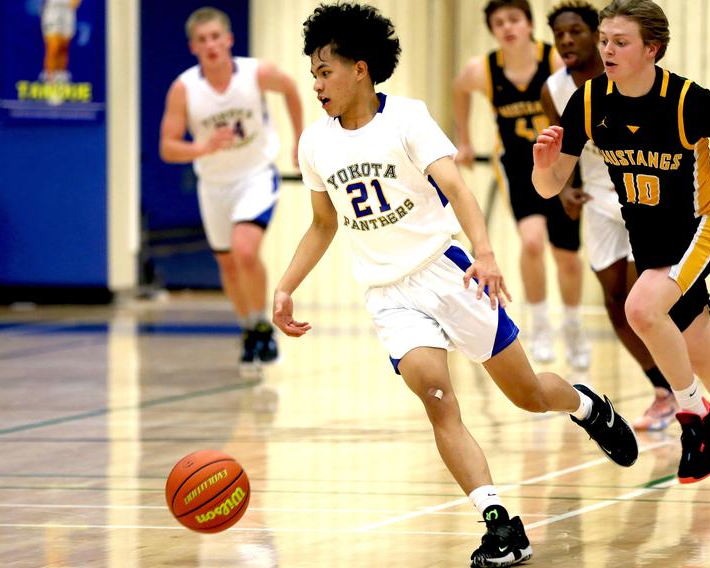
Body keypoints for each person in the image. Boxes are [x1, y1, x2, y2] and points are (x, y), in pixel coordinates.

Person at [275, 4, 638, 566]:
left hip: (449, 272)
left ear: (360, 70)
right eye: (313, 73)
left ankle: (588, 407)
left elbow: (460, 190)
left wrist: (487, 255)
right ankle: (500, 525)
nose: (316, 84)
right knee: (437, 395)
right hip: (388, 294)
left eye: (325, 72)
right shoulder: (315, 144)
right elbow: (324, 224)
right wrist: (286, 285)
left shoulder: (408, 119)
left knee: (529, 396)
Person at [531, 0, 710, 508]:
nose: (607, 50)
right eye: (605, 40)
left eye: (620, 42)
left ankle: (696, 417)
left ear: (651, 49)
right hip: (651, 242)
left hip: (702, 228)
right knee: (704, 355)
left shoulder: (686, 100)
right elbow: (550, 188)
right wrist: (542, 164)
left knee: (640, 308)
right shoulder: (590, 101)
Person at [541, 1, 675, 431]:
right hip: (598, 203)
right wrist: (564, 187)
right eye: (559, 34)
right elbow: (563, 150)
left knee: (645, 303)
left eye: (576, 32)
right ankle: (664, 391)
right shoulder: (555, 90)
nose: (566, 41)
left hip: (645, 203)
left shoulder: (628, 79)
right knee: (615, 302)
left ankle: (690, 384)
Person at [160, 7, 303, 364]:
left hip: (255, 175)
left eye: (215, 37)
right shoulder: (184, 89)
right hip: (213, 184)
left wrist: (300, 139)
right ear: (193, 46)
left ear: (229, 40)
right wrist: (203, 147)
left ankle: (263, 326)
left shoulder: (257, 73)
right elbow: (168, 147)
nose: (210, 45)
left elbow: (291, 89)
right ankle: (249, 327)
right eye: (202, 39)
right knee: (226, 264)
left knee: (245, 250)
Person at [452, 0, 590, 369]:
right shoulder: (482, 69)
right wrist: (464, 139)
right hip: (517, 165)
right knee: (530, 243)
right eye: (498, 22)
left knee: (567, 256)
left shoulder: (554, 62)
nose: (507, 27)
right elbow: (459, 89)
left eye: (514, 19)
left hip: (561, 165)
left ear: (529, 24)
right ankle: (541, 325)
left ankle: (574, 327)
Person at [41, 0, 80, 84]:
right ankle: (50, 82)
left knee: (63, 48)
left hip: (67, 10)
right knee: (53, 47)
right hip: (52, 10)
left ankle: (60, 81)